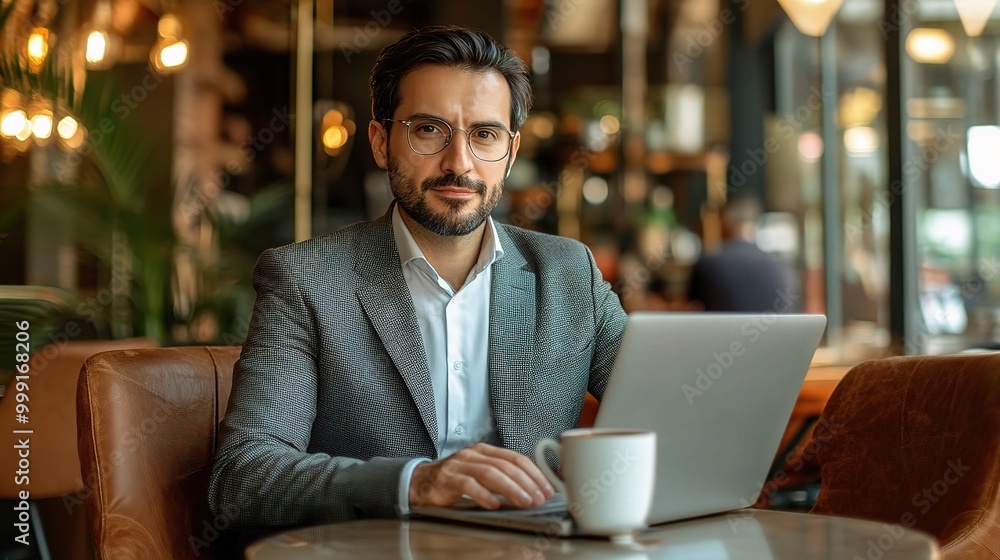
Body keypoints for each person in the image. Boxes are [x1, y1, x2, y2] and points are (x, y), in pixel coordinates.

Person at [208, 26, 627, 530]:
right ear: (382, 142)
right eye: (429, 130)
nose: (460, 164)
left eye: (484, 134)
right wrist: (414, 483)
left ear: (511, 153)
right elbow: (242, 481)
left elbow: (675, 402)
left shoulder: (568, 274)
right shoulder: (306, 280)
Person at [687, 196, 799, 313]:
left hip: (725, 331)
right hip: (778, 331)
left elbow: (693, 307)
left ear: (726, 220)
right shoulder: (783, 265)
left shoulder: (709, 263)